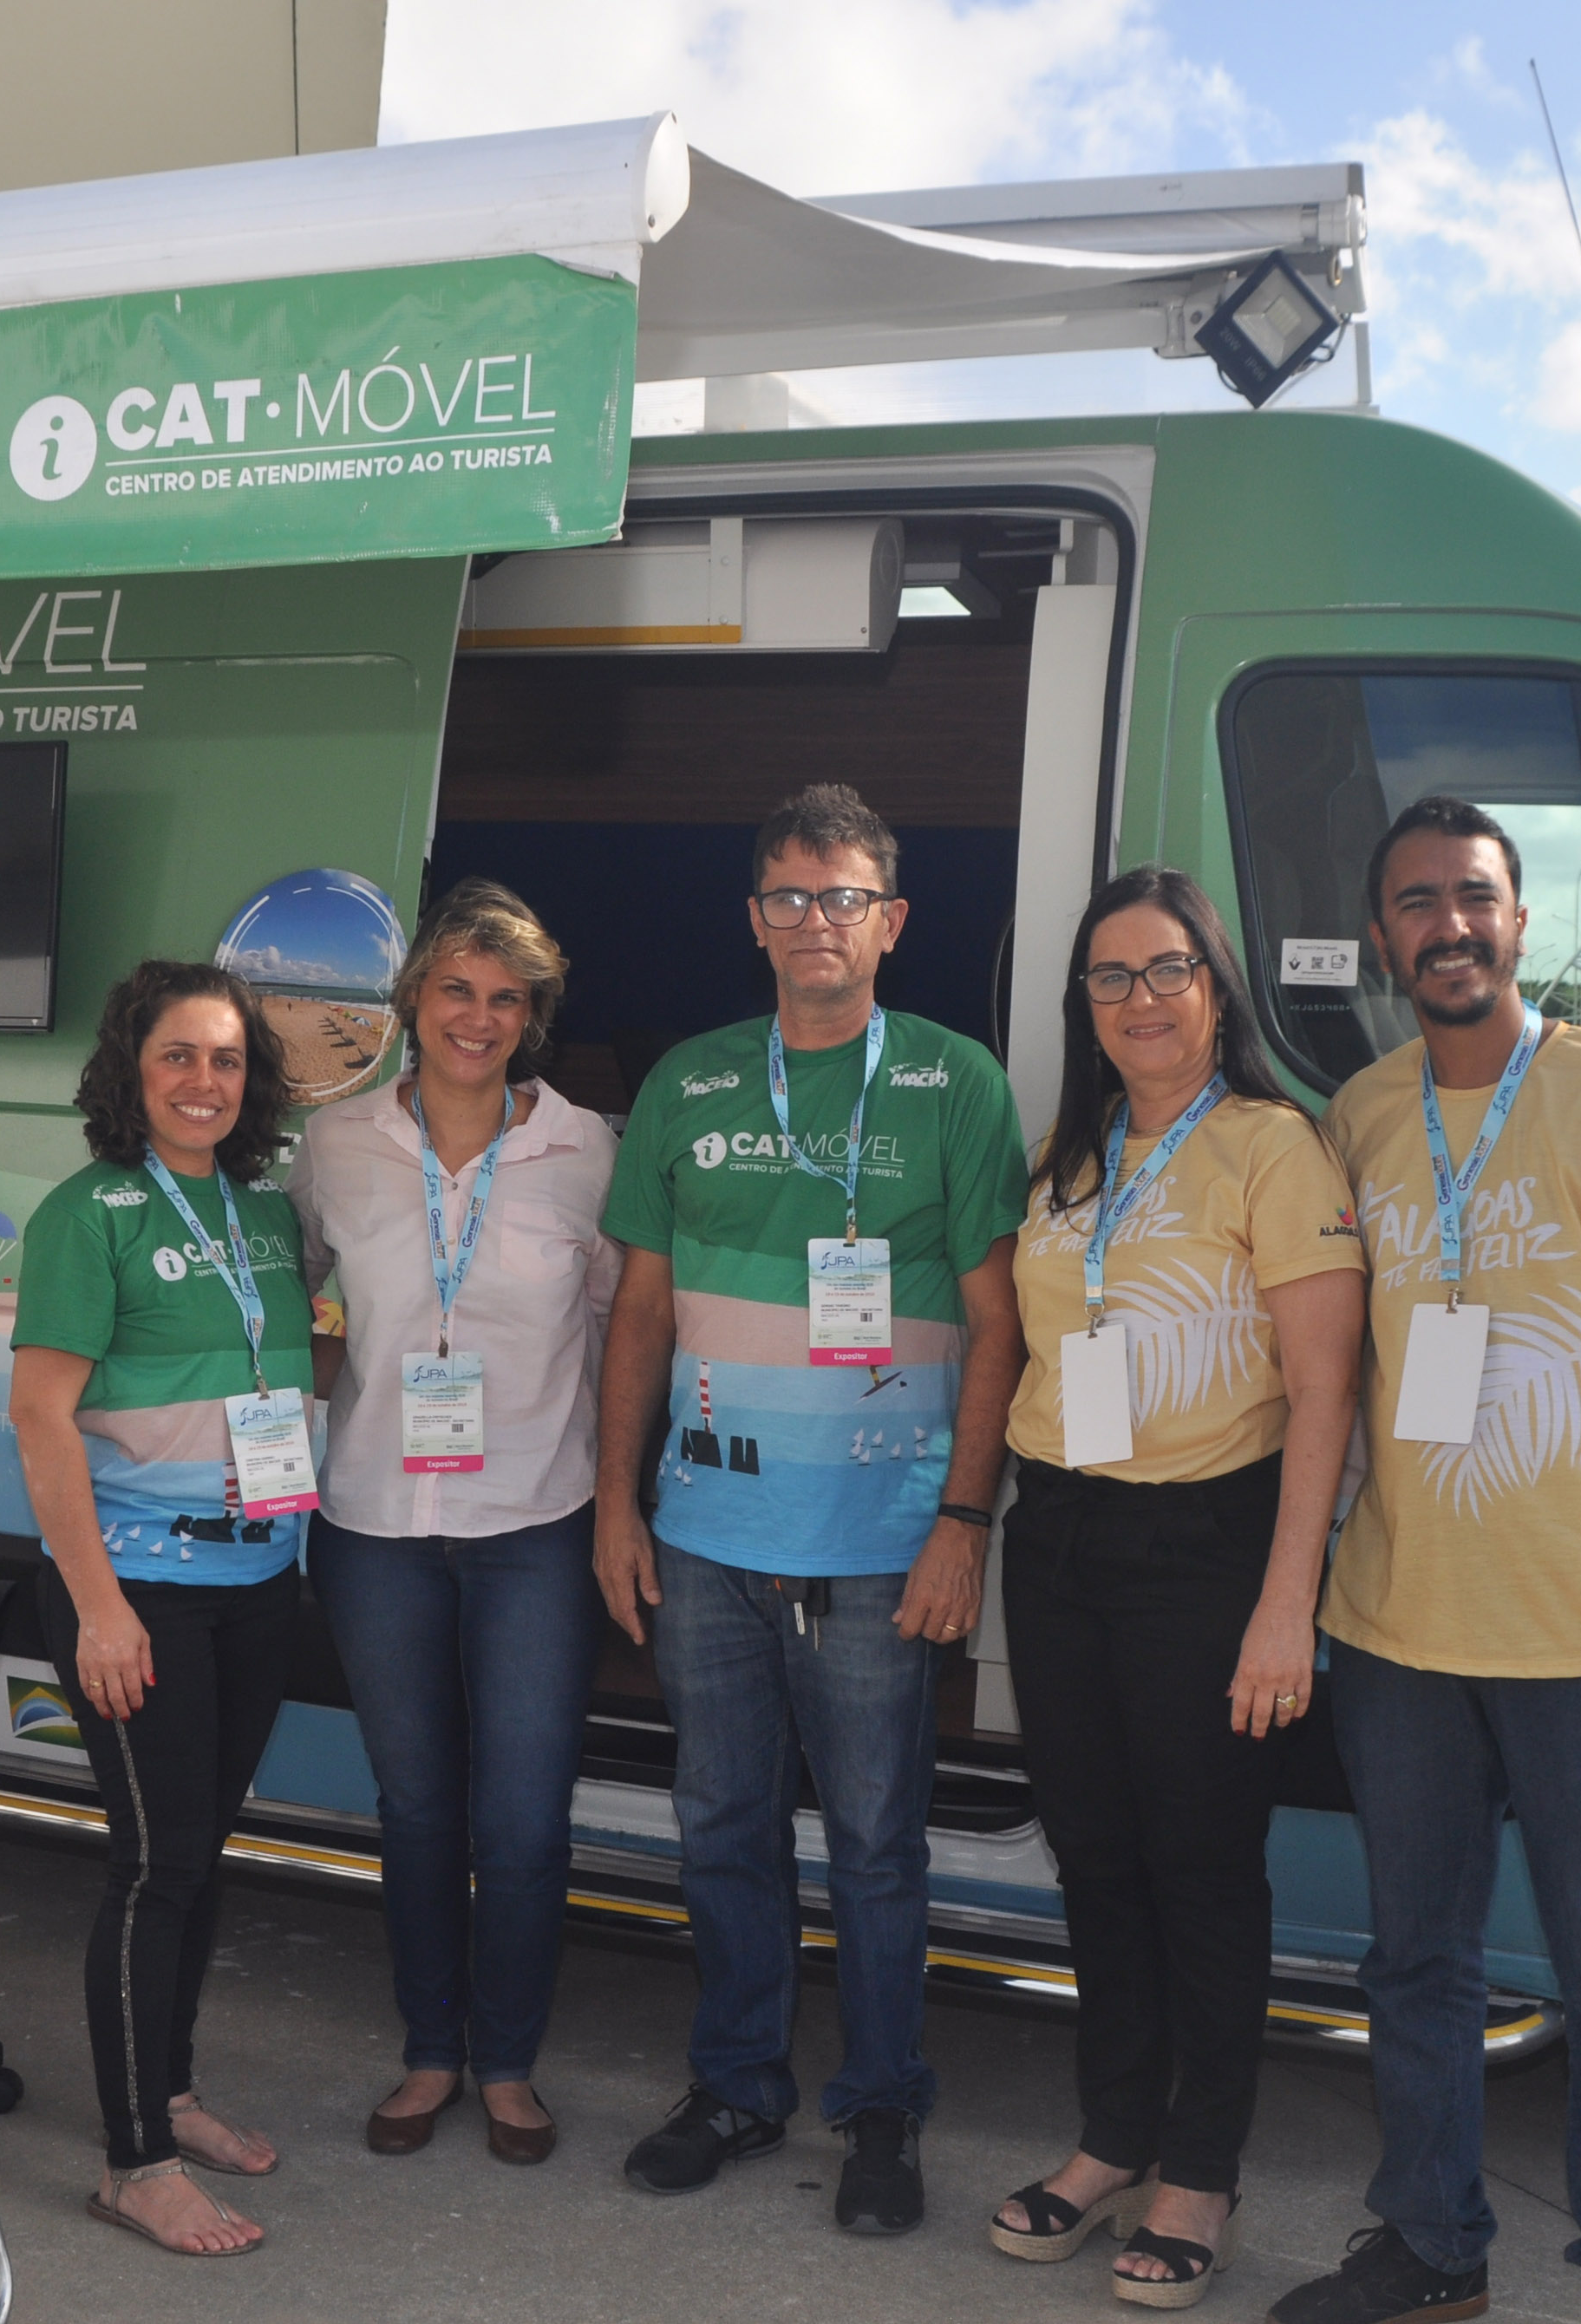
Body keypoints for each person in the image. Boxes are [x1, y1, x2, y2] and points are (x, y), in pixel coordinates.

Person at [1268, 799, 1581, 2324]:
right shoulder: (1360, 1112)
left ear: (1519, 920)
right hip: (1400, 1628)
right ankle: (1430, 2249)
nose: (1447, 926)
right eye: (1415, 903)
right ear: (1381, 939)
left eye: (1472, 897)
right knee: (1412, 1963)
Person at [595, 782, 1031, 2236]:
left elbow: (996, 1321)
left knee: (874, 1843)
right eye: (785, 896)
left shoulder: (955, 1084)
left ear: (890, 922)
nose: (811, 922)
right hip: (706, 1536)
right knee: (718, 1823)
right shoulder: (689, 1080)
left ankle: (883, 2106)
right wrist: (615, 1505)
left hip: (881, 1547)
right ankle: (735, 2085)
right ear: (753, 920)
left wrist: (962, 1522)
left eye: (840, 897)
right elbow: (640, 1316)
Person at [988, 867, 1364, 2308]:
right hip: (1065, 1539)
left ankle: (1197, 2171)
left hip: (1209, 1548)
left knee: (1200, 1872)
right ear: (1083, 1007)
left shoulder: (1275, 1148)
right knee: (1094, 1858)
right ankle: (1108, 2142)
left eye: (1165, 971)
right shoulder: (1067, 1152)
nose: (1138, 1001)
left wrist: (1286, 1603)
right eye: (1108, 979)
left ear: (1215, 986)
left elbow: (1323, 1394)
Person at [289, 879, 619, 2164]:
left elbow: (616, 1331)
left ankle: (511, 2064)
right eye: (455, 990)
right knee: (418, 1809)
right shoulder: (337, 1144)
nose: (477, 1018)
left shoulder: (586, 1149)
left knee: (527, 1817)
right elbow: (287, 1301)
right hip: (372, 1518)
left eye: (505, 998)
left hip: (537, 1516)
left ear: (529, 1015)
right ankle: (431, 2053)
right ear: (412, 999)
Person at [9, 958, 317, 2259]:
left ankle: (170, 2094)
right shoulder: (92, 1215)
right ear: (131, 1070)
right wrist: (99, 1612)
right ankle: (132, 2164)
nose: (204, 1081)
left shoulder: (259, 1216)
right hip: (141, 1596)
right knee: (154, 1869)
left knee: (198, 1860)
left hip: (256, 1584)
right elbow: (39, 1413)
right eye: (178, 1056)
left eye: (228, 1059)